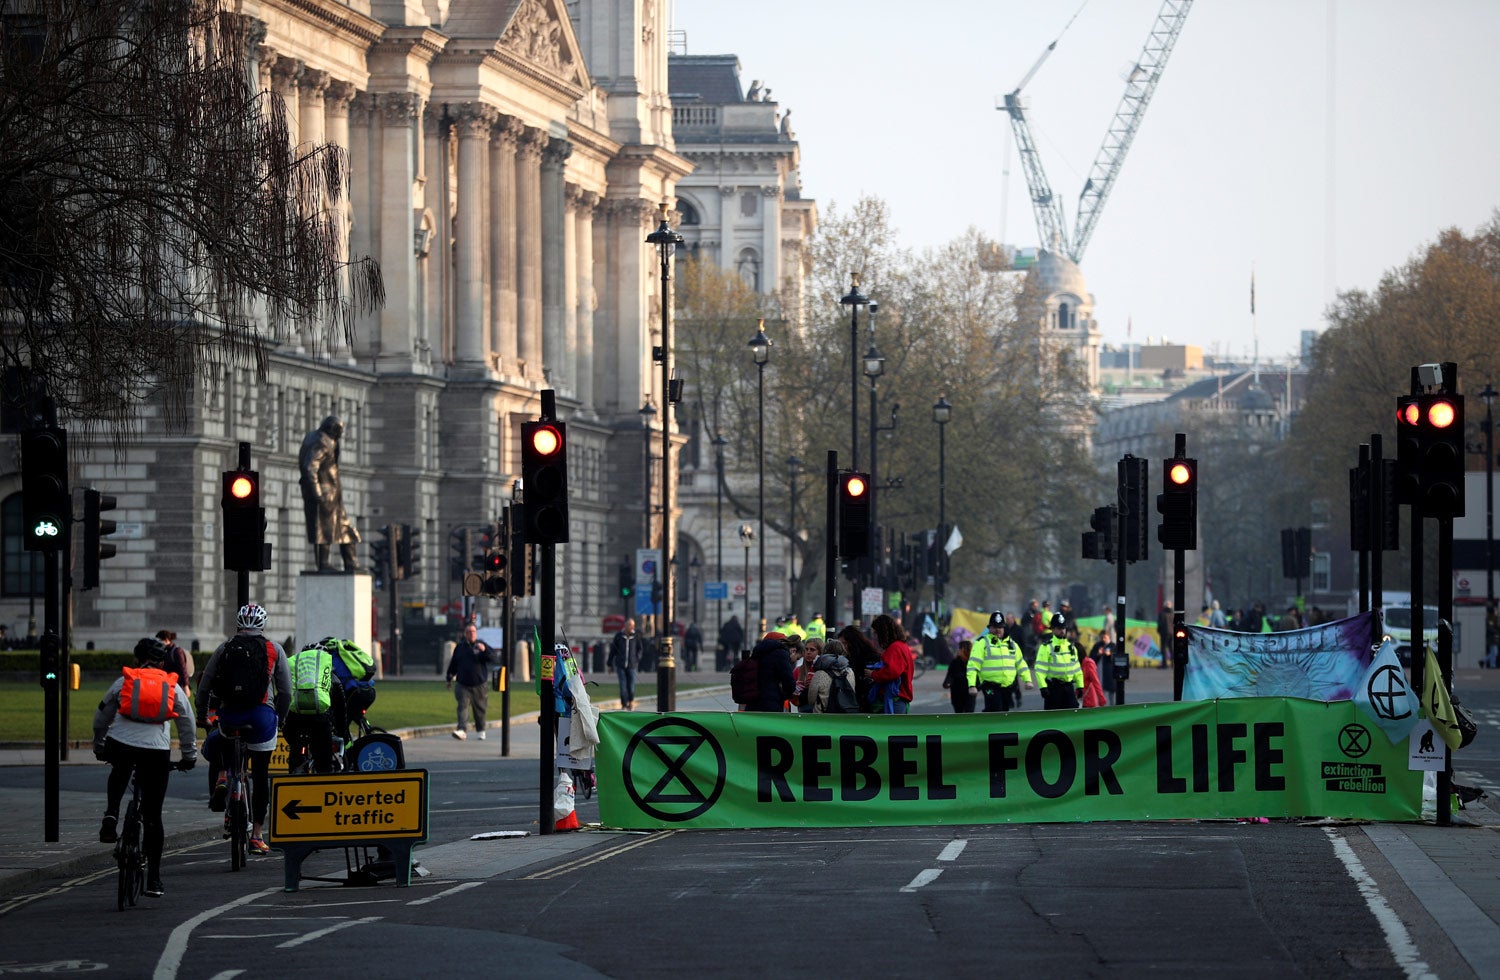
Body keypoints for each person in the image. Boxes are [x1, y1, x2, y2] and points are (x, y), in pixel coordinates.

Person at [94, 637, 197, 898]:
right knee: (153, 817)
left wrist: (99, 744)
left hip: (121, 743)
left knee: (119, 771)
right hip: (156, 751)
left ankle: (111, 814)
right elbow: (187, 722)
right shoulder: (171, 687)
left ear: (136, 659)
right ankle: (153, 880)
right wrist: (188, 756)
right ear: (163, 662)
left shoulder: (125, 681)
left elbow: (102, 714)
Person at [196, 603, 289, 857]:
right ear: (263, 625)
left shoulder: (225, 647)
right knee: (260, 776)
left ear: (238, 624)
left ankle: (225, 776)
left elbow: (204, 685)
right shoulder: (274, 649)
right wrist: (279, 719)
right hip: (261, 717)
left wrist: (202, 716)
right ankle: (257, 836)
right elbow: (286, 692)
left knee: (223, 740)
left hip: (230, 715)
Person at [298, 414, 360, 572]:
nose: (341, 434)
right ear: (333, 429)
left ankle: (351, 564)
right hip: (324, 494)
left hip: (332, 495)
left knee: (344, 529)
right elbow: (310, 467)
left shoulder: (318, 437)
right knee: (323, 531)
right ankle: (324, 564)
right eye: (340, 431)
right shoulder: (322, 442)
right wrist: (317, 493)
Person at [283, 640, 341, 772]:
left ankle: (293, 777)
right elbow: (340, 706)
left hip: (296, 719)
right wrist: (342, 732)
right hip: (320, 719)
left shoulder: (296, 674)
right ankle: (323, 782)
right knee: (323, 759)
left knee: (295, 748)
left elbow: (284, 695)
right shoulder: (331, 677)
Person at [967, 611, 1032, 712]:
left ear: (1004, 628)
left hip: (1007, 687)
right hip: (989, 686)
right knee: (996, 708)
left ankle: (988, 724)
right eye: (995, 627)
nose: (998, 630)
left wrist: (1027, 680)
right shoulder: (982, 643)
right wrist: (972, 685)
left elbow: (1021, 664)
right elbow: (973, 665)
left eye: (1000, 627)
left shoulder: (1012, 644)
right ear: (989, 628)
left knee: (1004, 711)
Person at [445, 622, 493, 738]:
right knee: (462, 707)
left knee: (480, 709)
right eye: (469, 632)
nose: (471, 634)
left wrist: (484, 650)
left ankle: (481, 730)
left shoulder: (481, 645)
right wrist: (449, 677)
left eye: (473, 632)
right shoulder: (460, 648)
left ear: (476, 633)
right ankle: (462, 729)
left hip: (479, 684)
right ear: (465, 634)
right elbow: (454, 664)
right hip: (463, 684)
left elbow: (492, 658)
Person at [1033, 612, 1084, 709]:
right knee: (1053, 720)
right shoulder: (1046, 647)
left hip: (1069, 689)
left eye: (1063, 628)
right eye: (1059, 628)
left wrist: (1080, 685)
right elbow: (1040, 670)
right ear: (1052, 629)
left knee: (1072, 718)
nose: (1062, 631)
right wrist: (1043, 687)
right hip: (1053, 689)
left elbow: (1077, 669)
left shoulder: (1071, 648)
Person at [867, 614, 915, 714]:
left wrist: (873, 674)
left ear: (882, 633)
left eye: (876, 633)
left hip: (895, 700)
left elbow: (891, 672)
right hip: (898, 700)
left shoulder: (895, 648)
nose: (875, 637)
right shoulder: (901, 646)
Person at [746, 632, 795, 712]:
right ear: (780, 642)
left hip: (753, 700)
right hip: (772, 701)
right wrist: (786, 695)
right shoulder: (780, 653)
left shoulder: (756, 653)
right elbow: (788, 680)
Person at [805, 639, 857, 713]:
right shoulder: (849, 672)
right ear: (843, 651)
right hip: (843, 714)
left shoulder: (819, 673)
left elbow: (811, 699)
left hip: (822, 716)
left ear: (825, 652)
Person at [837, 624, 881, 708]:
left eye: (844, 643)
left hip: (867, 701)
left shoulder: (869, 657)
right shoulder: (845, 658)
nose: (842, 648)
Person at [607, 618, 644, 709]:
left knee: (631, 686)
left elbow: (640, 649)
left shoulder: (636, 636)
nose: (632, 627)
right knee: (623, 686)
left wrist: (637, 659)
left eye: (633, 625)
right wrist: (609, 664)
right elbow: (613, 650)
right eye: (630, 625)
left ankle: (631, 701)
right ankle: (624, 704)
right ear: (625, 626)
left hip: (632, 665)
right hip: (620, 665)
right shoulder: (619, 636)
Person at [943, 639, 976, 713]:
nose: (958, 650)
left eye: (960, 648)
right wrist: (947, 683)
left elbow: (976, 676)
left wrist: (977, 686)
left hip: (969, 692)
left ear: (964, 650)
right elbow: (950, 674)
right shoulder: (955, 662)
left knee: (969, 712)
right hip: (957, 692)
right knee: (958, 712)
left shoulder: (973, 662)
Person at [792, 637, 824, 712]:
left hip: (820, 710)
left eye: (812, 650)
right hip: (803, 710)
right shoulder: (798, 670)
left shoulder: (824, 670)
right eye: (806, 649)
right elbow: (790, 694)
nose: (808, 652)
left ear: (820, 652)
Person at [1156, 602, 1174, 669]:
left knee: (1163, 648)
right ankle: (1173, 663)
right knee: (1171, 648)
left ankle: (1164, 664)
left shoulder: (1162, 613)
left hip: (1164, 633)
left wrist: (1159, 631)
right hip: (1171, 633)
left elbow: (1160, 623)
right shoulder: (1173, 614)